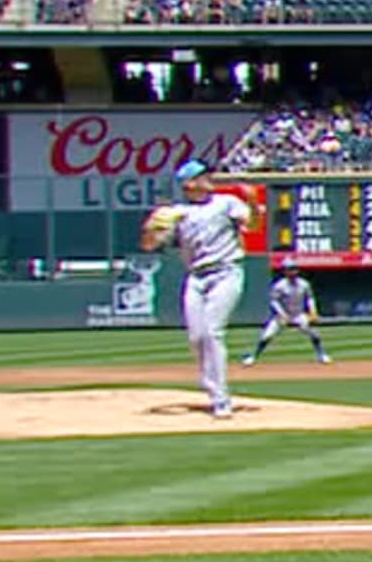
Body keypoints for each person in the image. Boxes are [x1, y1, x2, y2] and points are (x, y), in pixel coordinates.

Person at [137, 160, 256, 419]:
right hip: (196, 277)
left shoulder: (226, 203)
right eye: (202, 176)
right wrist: (150, 228)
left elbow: (254, 226)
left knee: (213, 332)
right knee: (197, 337)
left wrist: (254, 204)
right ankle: (211, 387)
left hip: (226, 272)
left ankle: (221, 399)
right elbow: (148, 245)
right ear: (188, 183)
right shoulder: (178, 212)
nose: (208, 179)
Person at [244, 262, 332, 366]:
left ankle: (321, 355)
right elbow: (274, 301)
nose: (293, 272)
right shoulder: (280, 285)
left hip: (298, 314)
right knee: (266, 336)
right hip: (282, 315)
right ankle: (253, 357)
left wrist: (313, 312)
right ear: (285, 272)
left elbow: (309, 298)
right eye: (290, 269)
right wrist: (282, 315)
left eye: (294, 269)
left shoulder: (304, 284)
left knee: (314, 334)